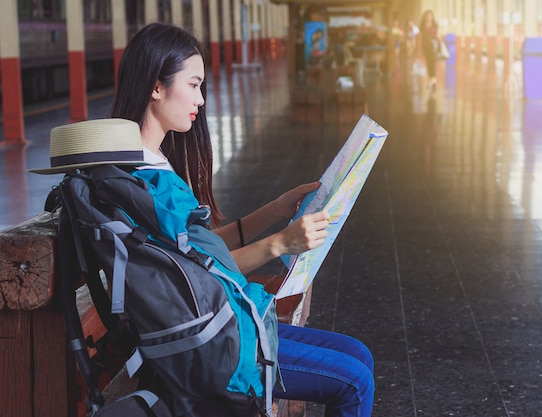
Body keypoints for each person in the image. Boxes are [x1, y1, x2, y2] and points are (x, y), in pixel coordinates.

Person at [109, 23, 375, 417]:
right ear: (156, 87)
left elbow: (198, 251)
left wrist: (275, 210)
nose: (201, 99)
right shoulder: (145, 182)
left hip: (222, 323)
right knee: (354, 380)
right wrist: (280, 243)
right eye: (194, 84)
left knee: (358, 354)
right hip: (210, 348)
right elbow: (194, 275)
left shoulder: (151, 167)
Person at [418, 9, 440, 90]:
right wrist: (419, 49)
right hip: (425, 46)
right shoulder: (422, 26)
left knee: (432, 63)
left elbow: (438, 35)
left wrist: (439, 42)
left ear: (432, 17)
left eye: (430, 16)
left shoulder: (435, 25)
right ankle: (431, 80)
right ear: (425, 17)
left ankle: (433, 80)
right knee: (428, 63)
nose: (428, 17)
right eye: (427, 16)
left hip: (433, 46)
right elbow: (420, 37)